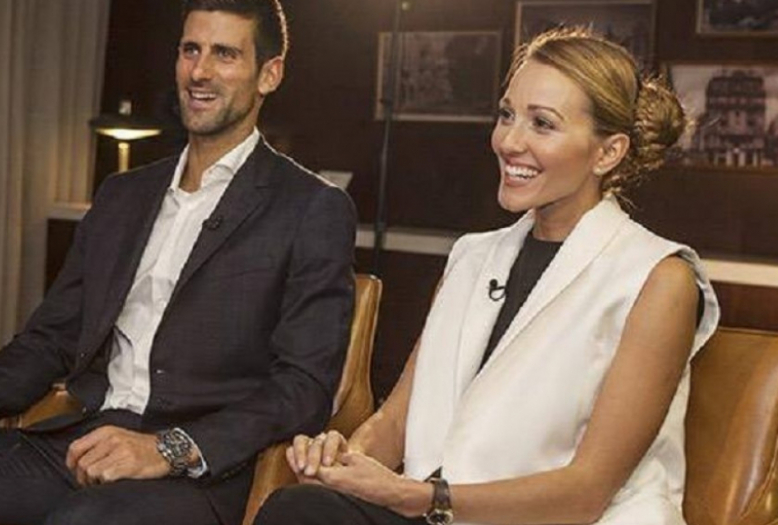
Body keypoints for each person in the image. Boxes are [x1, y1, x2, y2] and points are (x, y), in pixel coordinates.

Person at [0, 1, 357, 524]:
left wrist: (167, 449)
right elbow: (51, 338)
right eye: (191, 50)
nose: (200, 72)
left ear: (269, 75)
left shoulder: (310, 207)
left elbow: (303, 387)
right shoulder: (123, 194)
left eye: (225, 54)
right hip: (78, 444)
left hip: (197, 474)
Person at [255, 27, 719, 525]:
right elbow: (395, 422)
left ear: (608, 152)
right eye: (506, 115)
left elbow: (585, 493)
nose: (509, 141)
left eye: (542, 124)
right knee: (299, 508)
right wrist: (341, 461)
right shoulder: (471, 257)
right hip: (441, 510)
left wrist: (419, 496)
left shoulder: (659, 278)